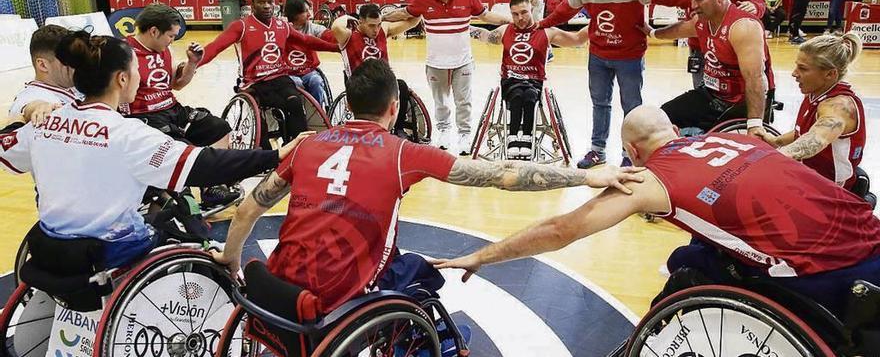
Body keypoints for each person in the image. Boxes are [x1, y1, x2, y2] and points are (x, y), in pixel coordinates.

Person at [212, 58, 643, 312]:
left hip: (277, 289)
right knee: (423, 276)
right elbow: (502, 175)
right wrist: (589, 175)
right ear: (395, 107)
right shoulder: (402, 152)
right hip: (339, 298)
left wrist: (232, 261)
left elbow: (250, 207)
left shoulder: (307, 146)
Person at [432, 105, 880, 320]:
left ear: (631, 151)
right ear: (674, 130)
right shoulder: (742, 140)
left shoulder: (648, 180)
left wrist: (482, 255)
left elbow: (561, 228)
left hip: (827, 274)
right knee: (698, 248)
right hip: (870, 236)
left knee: (685, 267)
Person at [0, 30, 302, 268]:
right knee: (188, 227)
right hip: (107, 250)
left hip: (50, 246)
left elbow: (6, 148)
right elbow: (205, 165)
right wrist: (275, 156)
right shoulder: (129, 134)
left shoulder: (46, 122)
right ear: (122, 78)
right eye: (135, 70)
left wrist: (25, 116)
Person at [538, 0, 690, 169]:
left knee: (632, 108)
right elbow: (564, 11)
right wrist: (540, 25)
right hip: (598, 56)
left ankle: (629, 153)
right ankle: (597, 150)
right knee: (600, 104)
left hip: (629, 57)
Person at [119, 4, 242, 207]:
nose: (173, 40)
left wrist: (192, 63)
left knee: (218, 128)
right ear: (153, 31)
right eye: (171, 35)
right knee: (182, 148)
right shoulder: (123, 53)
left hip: (171, 109)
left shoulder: (164, 49)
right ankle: (184, 204)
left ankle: (211, 188)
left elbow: (178, 85)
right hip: (143, 116)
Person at [383, 0, 512, 154]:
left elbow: (486, 16)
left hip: (463, 63)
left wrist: (511, 20)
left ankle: (464, 135)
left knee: (464, 102)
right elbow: (403, 13)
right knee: (441, 102)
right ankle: (443, 131)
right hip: (436, 64)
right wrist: (378, 18)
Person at [652, 0, 774, 134]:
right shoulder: (702, 20)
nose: (693, 5)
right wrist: (652, 33)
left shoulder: (743, 27)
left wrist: (755, 124)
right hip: (712, 93)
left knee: (713, 139)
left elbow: (755, 78)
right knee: (661, 118)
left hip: (741, 100)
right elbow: (679, 29)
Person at [470, 0, 589, 157]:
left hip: (534, 81)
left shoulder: (547, 31)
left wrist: (597, 23)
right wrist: (463, 28)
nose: (520, 18)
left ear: (532, 10)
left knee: (530, 94)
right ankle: (512, 136)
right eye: (515, 14)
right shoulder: (506, 30)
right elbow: (486, 36)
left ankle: (526, 136)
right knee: (518, 94)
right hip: (510, 80)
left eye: (524, 12)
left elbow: (577, 39)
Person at [200, 0, 311, 143]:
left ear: (276, 4)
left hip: (279, 78)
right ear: (252, 5)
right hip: (254, 82)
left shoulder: (281, 25)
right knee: (259, 115)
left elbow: (307, 41)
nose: (266, 6)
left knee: (295, 101)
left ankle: (297, 145)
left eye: (270, 2)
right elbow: (215, 47)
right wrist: (193, 63)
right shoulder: (241, 26)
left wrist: (337, 46)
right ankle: (264, 154)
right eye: (261, 2)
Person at [761, 34, 865, 189]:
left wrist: (776, 157)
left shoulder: (838, 106)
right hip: (810, 179)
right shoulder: (817, 91)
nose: (794, 73)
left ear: (830, 74)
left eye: (802, 68)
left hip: (832, 191)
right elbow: (804, 132)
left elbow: (817, 138)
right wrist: (776, 142)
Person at [328, 4, 422, 137]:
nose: (376, 30)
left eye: (378, 24)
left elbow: (413, 22)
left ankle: (399, 128)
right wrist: (347, 17)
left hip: (383, 83)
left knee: (401, 85)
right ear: (360, 22)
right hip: (360, 85)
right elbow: (336, 27)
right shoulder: (347, 36)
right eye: (371, 25)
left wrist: (419, 5)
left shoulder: (383, 29)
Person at [9, 25, 79, 121]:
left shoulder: (72, 86)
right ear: (43, 65)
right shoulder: (34, 95)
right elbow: (28, 108)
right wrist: (39, 107)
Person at [283, 0, 340, 108]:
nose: (310, 14)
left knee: (316, 81)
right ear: (295, 14)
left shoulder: (312, 28)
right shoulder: (282, 29)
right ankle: (299, 113)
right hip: (289, 72)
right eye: (306, 11)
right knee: (296, 84)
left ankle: (317, 113)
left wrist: (340, 35)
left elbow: (327, 35)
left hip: (308, 71)